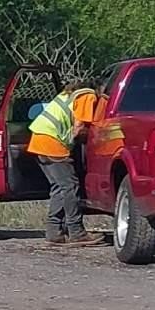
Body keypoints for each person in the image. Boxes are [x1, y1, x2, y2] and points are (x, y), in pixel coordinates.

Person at [26, 83, 101, 246]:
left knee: (59, 187)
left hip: (38, 139)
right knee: (70, 186)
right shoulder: (87, 95)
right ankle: (76, 232)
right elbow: (79, 126)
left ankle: (54, 232)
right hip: (52, 142)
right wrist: (80, 140)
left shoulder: (68, 95)